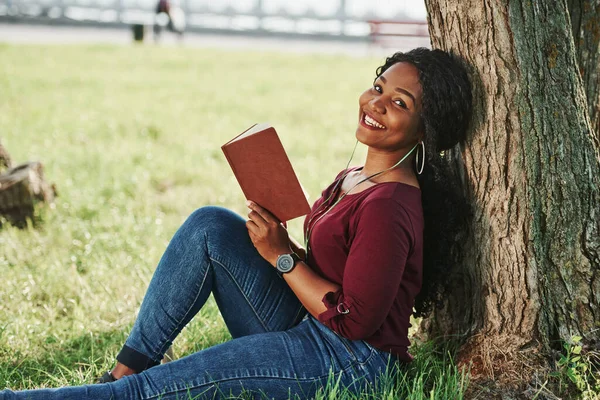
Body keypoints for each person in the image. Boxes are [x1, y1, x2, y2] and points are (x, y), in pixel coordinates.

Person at [0, 47, 472, 400]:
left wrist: (281, 257)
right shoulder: (358, 176)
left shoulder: (389, 205)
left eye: (400, 102)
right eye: (379, 86)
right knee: (210, 226)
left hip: (349, 362)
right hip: (311, 323)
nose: (377, 103)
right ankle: (125, 369)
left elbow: (356, 321)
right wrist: (279, 243)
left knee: (148, 394)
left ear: (425, 131)